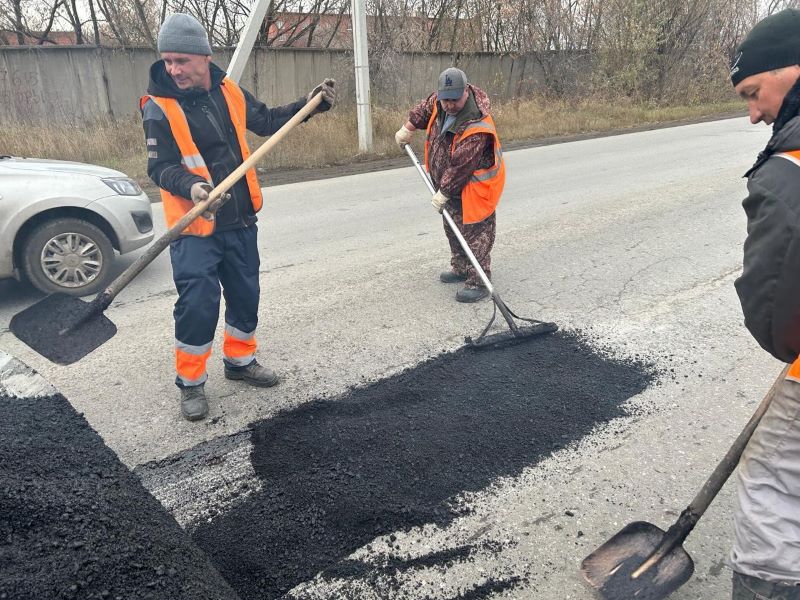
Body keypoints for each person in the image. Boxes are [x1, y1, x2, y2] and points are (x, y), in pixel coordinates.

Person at [141, 13, 335, 422]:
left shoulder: (228, 90)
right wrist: (193, 187)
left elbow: (264, 122)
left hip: (241, 219)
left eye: (181, 61)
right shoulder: (158, 106)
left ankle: (240, 361)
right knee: (198, 304)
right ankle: (190, 383)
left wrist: (309, 105)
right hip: (195, 227)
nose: (172, 69)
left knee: (246, 295)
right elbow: (159, 167)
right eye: (167, 60)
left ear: (204, 57)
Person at [729, 8, 800, 599]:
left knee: (773, 479)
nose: (753, 113)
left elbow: (774, 304)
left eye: (754, 93)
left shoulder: (791, 169)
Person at [394, 67, 505, 303]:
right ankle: (461, 267)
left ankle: (478, 280)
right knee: (451, 226)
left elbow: (460, 167)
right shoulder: (440, 100)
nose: (449, 105)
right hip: (449, 184)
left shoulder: (477, 125)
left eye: (454, 100)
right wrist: (408, 128)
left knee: (475, 233)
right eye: (446, 100)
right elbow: (424, 109)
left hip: (474, 188)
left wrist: (444, 191)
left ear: (465, 92)